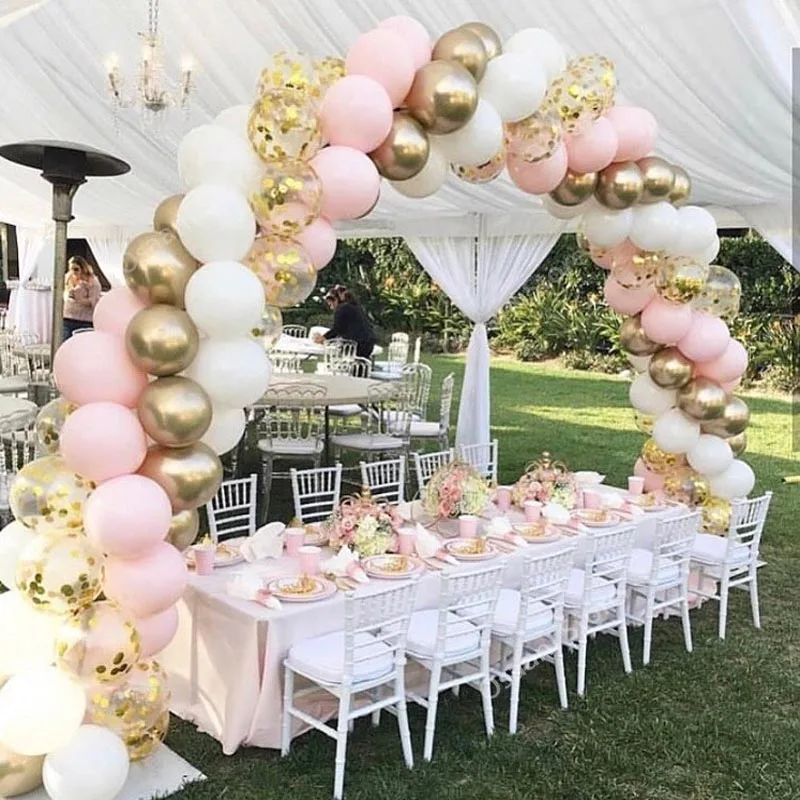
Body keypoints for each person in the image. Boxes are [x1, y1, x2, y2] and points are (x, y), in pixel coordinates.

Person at [313, 285, 376, 358]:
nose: (330, 307)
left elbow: (337, 329)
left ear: (335, 300)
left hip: (357, 345)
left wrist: (323, 338)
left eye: (330, 304)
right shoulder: (353, 306)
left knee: (339, 358)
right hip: (368, 343)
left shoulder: (342, 308)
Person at [63, 256, 101, 340]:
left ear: (83, 269)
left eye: (76, 269)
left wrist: (79, 300)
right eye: (71, 269)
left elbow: (94, 301)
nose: (73, 272)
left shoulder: (92, 282)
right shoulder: (68, 278)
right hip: (67, 317)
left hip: (84, 320)